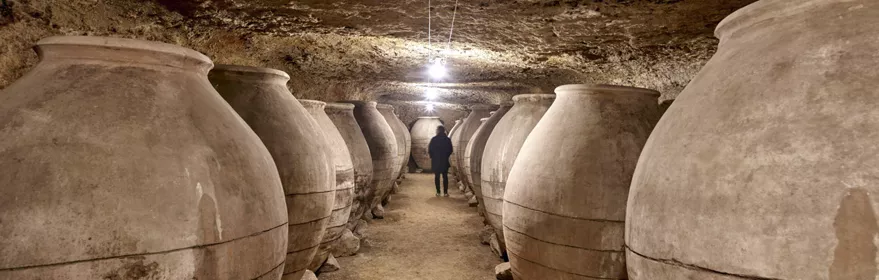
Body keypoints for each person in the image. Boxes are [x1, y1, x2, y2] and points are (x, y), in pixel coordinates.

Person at [428, 125, 453, 197]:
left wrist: (433, 157)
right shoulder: (447, 140)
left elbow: (430, 150)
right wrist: (446, 156)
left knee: (437, 177)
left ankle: (438, 192)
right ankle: (445, 192)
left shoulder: (434, 139)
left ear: (438, 131)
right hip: (444, 160)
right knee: (445, 176)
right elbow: (450, 150)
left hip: (436, 161)